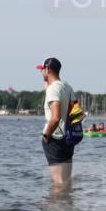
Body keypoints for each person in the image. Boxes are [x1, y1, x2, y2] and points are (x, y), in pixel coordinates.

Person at [37, 57, 74, 188]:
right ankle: (67, 206)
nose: (41, 73)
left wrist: (46, 135)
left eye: (42, 70)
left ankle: (55, 208)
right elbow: (77, 114)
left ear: (47, 69)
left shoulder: (53, 90)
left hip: (55, 138)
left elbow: (56, 117)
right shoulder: (67, 87)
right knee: (66, 181)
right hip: (68, 138)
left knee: (58, 183)